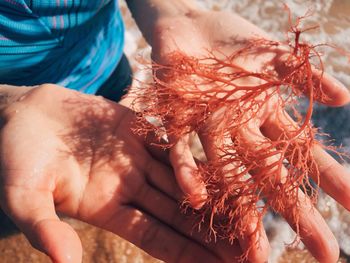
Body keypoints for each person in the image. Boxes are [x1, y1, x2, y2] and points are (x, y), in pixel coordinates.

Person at [0, 1, 349, 262]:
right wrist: (8, 106)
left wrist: (176, 13)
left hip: (103, 74)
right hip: (22, 129)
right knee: (20, 209)